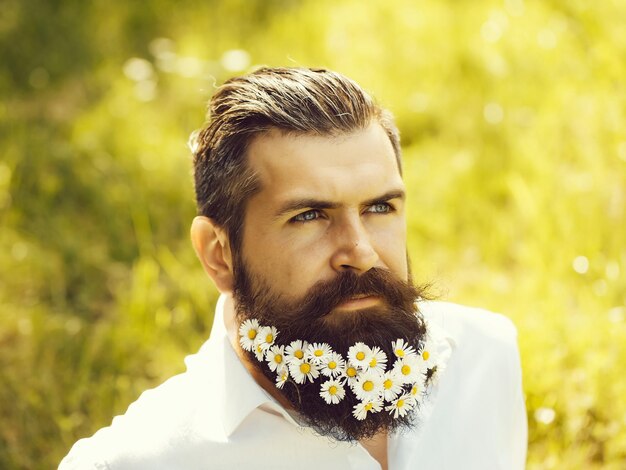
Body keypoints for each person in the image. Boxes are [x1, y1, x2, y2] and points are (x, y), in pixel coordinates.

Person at [60, 67, 527, 469]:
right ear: (218, 254)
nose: (359, 252)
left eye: (380, 207)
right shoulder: (138, 463)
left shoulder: (486, 357)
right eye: (308, 216)